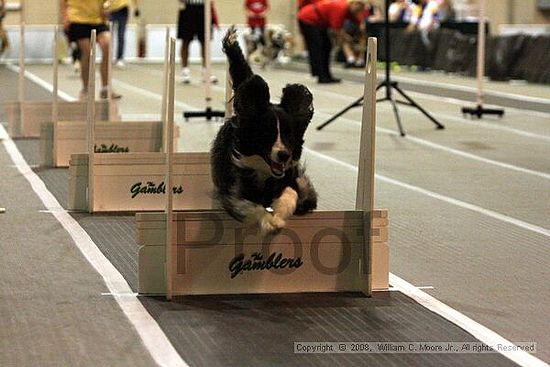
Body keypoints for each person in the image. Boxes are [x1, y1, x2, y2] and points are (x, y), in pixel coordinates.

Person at [60, 0, 121, 100]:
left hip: (98, 20)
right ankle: (86, 89)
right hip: (77, 19)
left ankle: (105, 88)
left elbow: (107, 2)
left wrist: (106, 8)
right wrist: (64, 17)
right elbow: (62, 2)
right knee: (88, 52)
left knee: (107, 45)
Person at [298, 0, 366, 83]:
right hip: (308, 19)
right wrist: (347, 38)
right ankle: (321, 75)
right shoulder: (341, 7)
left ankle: (326, 75)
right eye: (358, 9)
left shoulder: (348, 9)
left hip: (318, 21)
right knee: (318, 47)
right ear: (354, 3)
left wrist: (361, 26)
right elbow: (336, 30)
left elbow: (356, 20)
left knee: (326, 46)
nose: (358, 11)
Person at [177, 0, 219, 84]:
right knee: (186, 40)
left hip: (204, 8)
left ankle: (205, 71)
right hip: (188, 8)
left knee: (205, 41)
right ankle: (185, 71)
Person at [108, 0, 139, 68]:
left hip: (123, 9)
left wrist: (136, 8)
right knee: (109, 35)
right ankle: (108, 57)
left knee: (121, 35)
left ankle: (119, 58)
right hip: (111, 9)